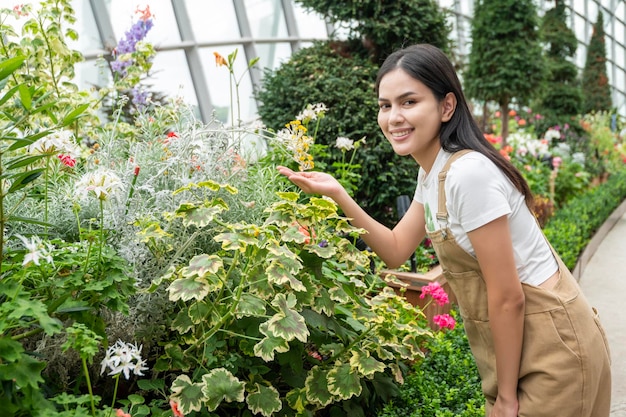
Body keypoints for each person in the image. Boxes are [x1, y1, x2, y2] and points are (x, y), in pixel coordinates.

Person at [278, 43, 611, 417]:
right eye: (385, 105)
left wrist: (505, 398)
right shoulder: (434, 171)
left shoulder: (468, 174)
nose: (393, 117)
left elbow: (507, 296)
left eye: (408, 102)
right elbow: (396, 248)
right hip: (527, 350)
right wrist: (338, 193)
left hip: (552, 350)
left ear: (446, 106)